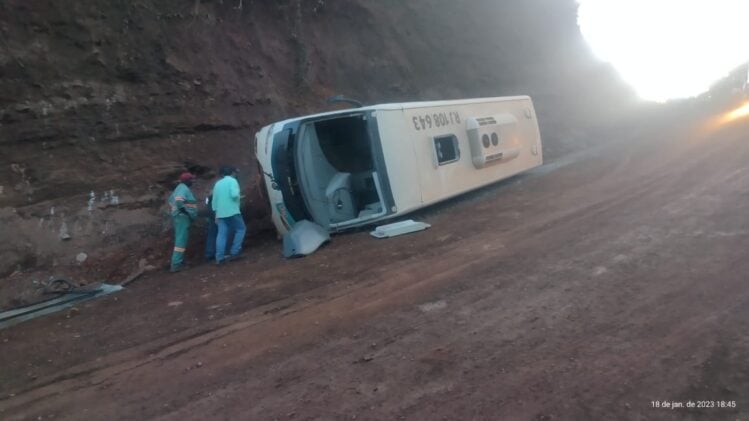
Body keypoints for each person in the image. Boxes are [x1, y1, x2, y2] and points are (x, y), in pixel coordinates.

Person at [212, 166, 246, 263]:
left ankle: (219, 258)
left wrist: (216, 214)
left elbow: (214, 201)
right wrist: (239, 197)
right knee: (241, 229)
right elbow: (234, 195)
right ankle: (235, 251)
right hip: (232, 211)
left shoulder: (217, 184)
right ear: (232, 173)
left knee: (221, 234)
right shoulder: (232, 181)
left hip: (220, 213)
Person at [168, 172, 198, 272]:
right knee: (181, 240)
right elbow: (179, 200)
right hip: (182, 217)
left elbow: (171, 200)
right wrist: (185, 211)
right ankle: (176, 264)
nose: (193, 181)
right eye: (191, 180)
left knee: (181, 239)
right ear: (187, 180)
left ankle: (178, 262)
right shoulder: (183, 188)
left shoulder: (179, 188)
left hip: (180, 217)